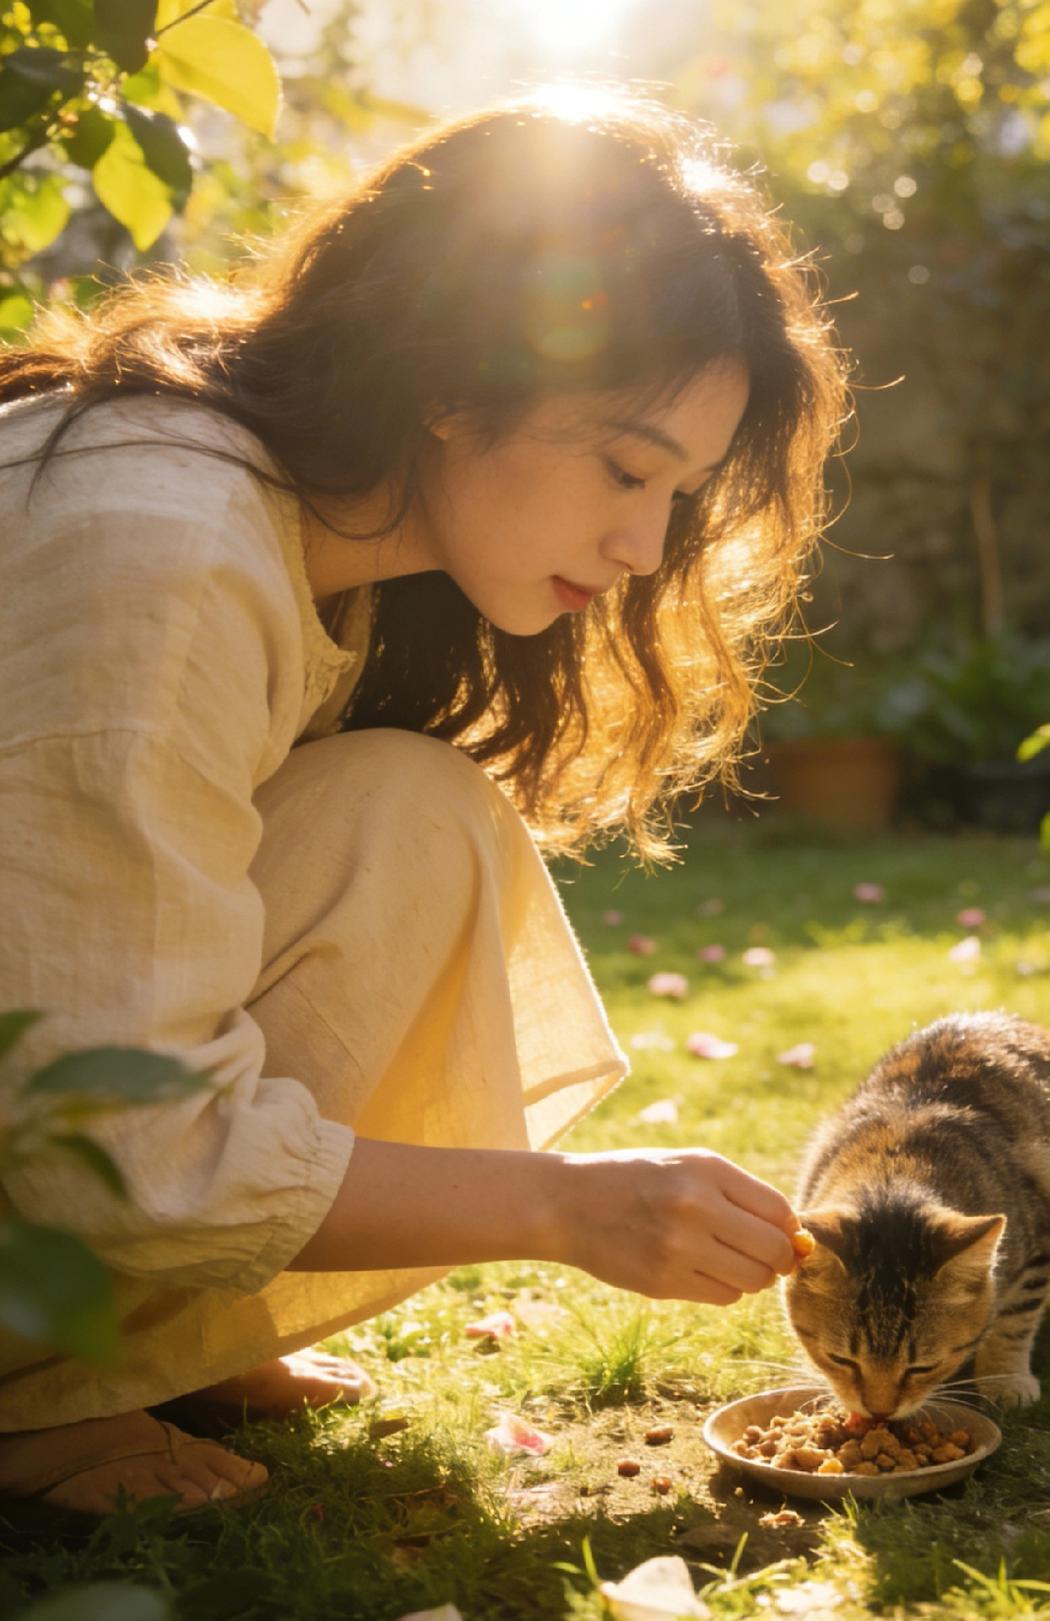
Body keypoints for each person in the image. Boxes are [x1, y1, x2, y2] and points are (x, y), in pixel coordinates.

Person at [0, 85, 848, 1517]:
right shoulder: (167, 555)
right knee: (405, 827)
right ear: (449, 381)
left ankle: (138, 1337)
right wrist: (565, 1206)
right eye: (627, 466)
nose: (646, 547)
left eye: (679, 492)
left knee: (407, 816)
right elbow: (116, 1130)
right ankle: (30, 1397)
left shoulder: (291, 540)